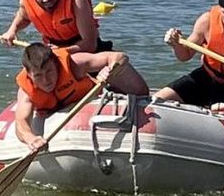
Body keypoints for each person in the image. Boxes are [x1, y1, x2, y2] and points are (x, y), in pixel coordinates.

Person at [13, 43, 148, 152]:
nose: (46, 80)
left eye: (49, 71)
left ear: (56, 64)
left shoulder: (73, 64)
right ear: (29, 74)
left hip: (90, 100)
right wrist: (31, 139)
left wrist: (110, 70)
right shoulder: (26, 91)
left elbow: (119, 56)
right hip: (50, 113)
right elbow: (21, 123)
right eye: (38, 76)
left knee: (140, 90)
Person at [2, 0, 111, 53]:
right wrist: (12, 31)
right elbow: (23, 17)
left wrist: (62, 51)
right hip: (53, 48)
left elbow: (90, 44)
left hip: (84, 47)